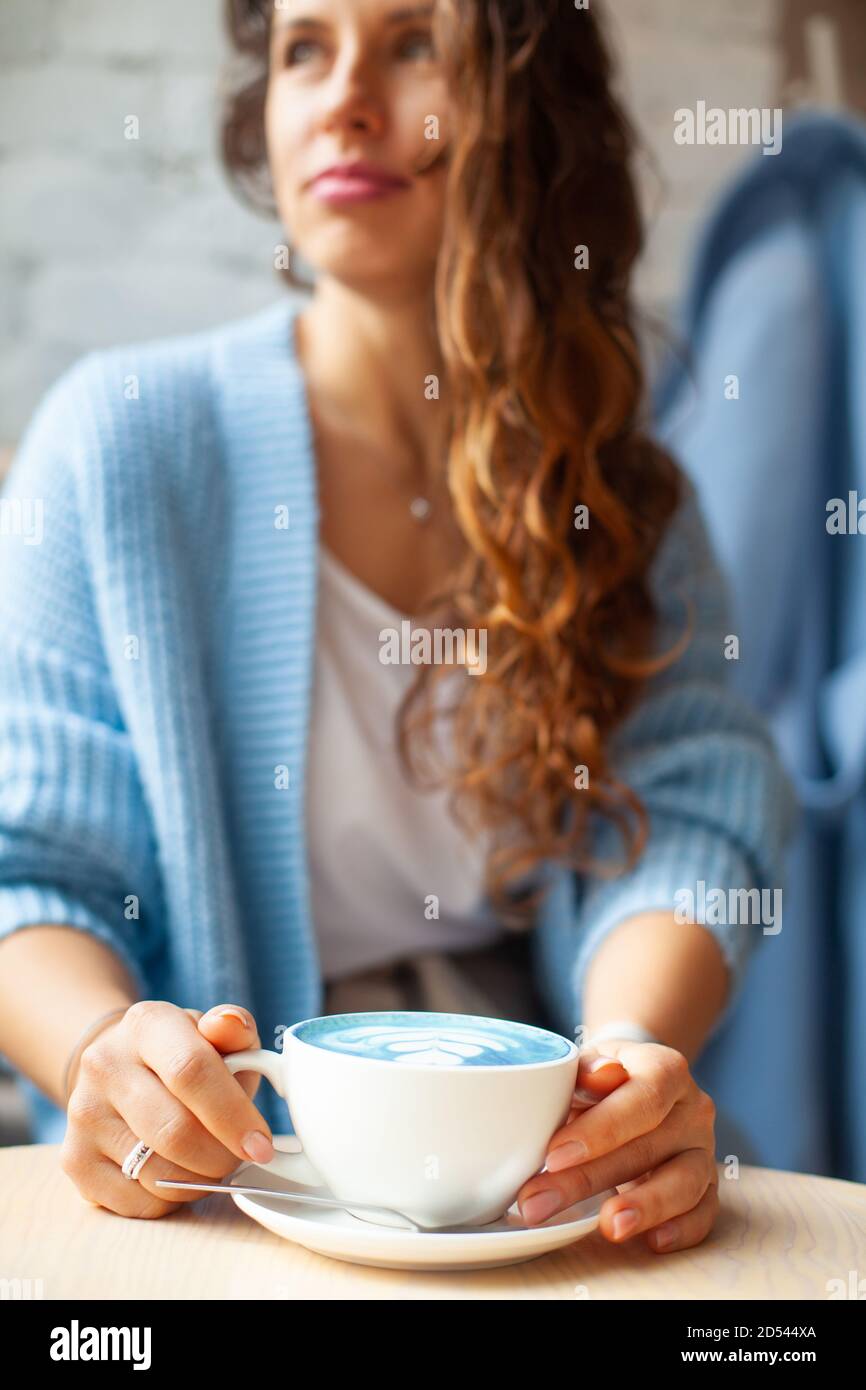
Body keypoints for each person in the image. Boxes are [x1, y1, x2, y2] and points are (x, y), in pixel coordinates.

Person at [0, 0, 794, 1252]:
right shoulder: (119, 447)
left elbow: (690, 806)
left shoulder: (620, 494)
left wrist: (626, 1059)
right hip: (210, 1198)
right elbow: (29, 864)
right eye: (305, 47)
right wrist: (103, 1049)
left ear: (525, 108)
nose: (343, 97)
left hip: (543, 1191)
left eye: (415, 41)